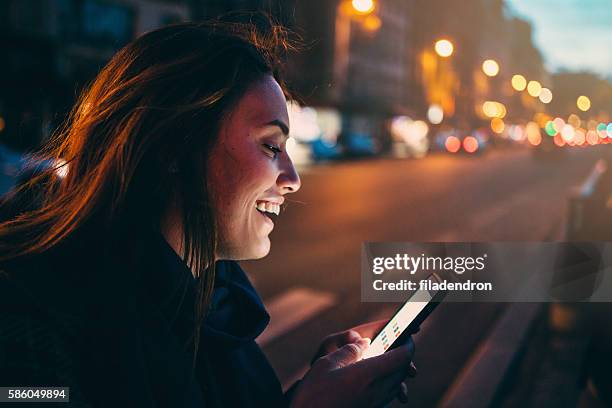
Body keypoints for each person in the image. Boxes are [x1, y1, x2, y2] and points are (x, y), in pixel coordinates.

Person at [0, 14, 416, 407]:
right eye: (271, 146)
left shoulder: (216, 309)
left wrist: (313, 393)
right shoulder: (28, 316)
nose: (293, 178)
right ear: (176, 146)